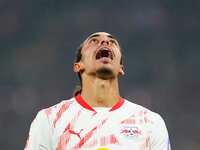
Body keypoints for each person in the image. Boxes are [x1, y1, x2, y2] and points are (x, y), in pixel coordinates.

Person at [25, 32, 171, 150]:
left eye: (112, 42)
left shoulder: (150, 122)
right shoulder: (49, 119)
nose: (105, 42)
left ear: (121, 68)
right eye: (94, 41)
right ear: (78, 65)